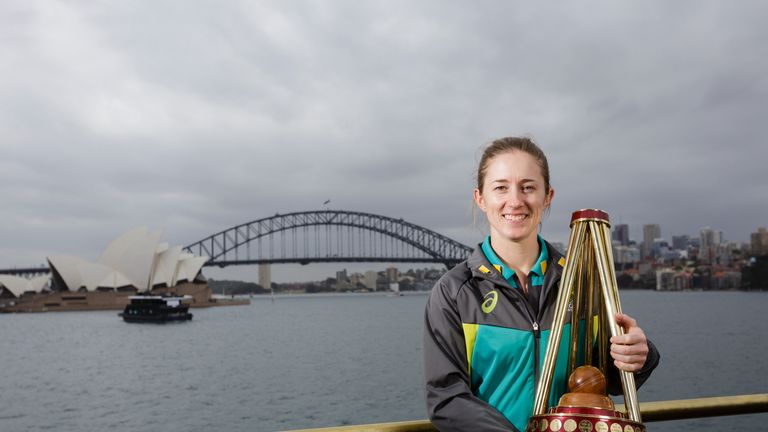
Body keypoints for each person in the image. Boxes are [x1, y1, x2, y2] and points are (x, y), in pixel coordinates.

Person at [423, 137, 659, 432]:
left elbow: (607, 380)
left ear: (548, 196)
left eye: (528, 187)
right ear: (480, 198)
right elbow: (447, 399)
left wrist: (638, 355)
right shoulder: (455, 291)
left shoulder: (581, 282)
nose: (515, 200)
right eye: (500, 187)